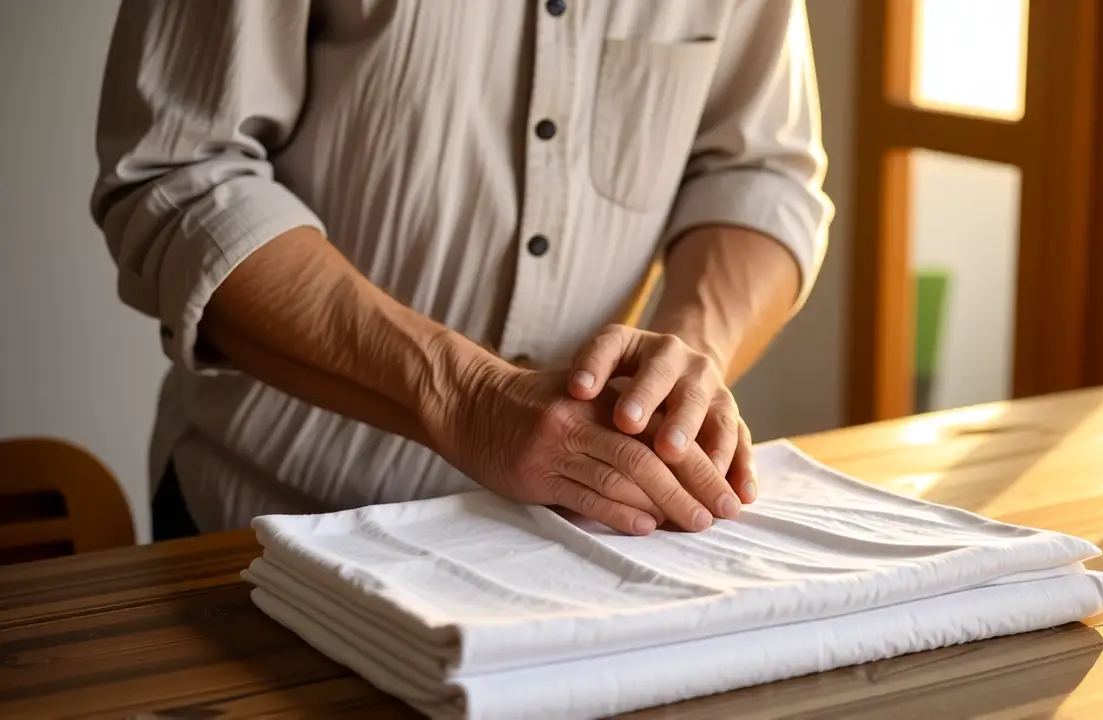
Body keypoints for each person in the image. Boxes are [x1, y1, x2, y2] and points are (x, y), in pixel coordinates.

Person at [91, 0, 832, 541]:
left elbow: (760, 169)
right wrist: (467, 397)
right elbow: (180, 175)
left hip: (582, 549)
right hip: (273, 524)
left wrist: (685, 359)